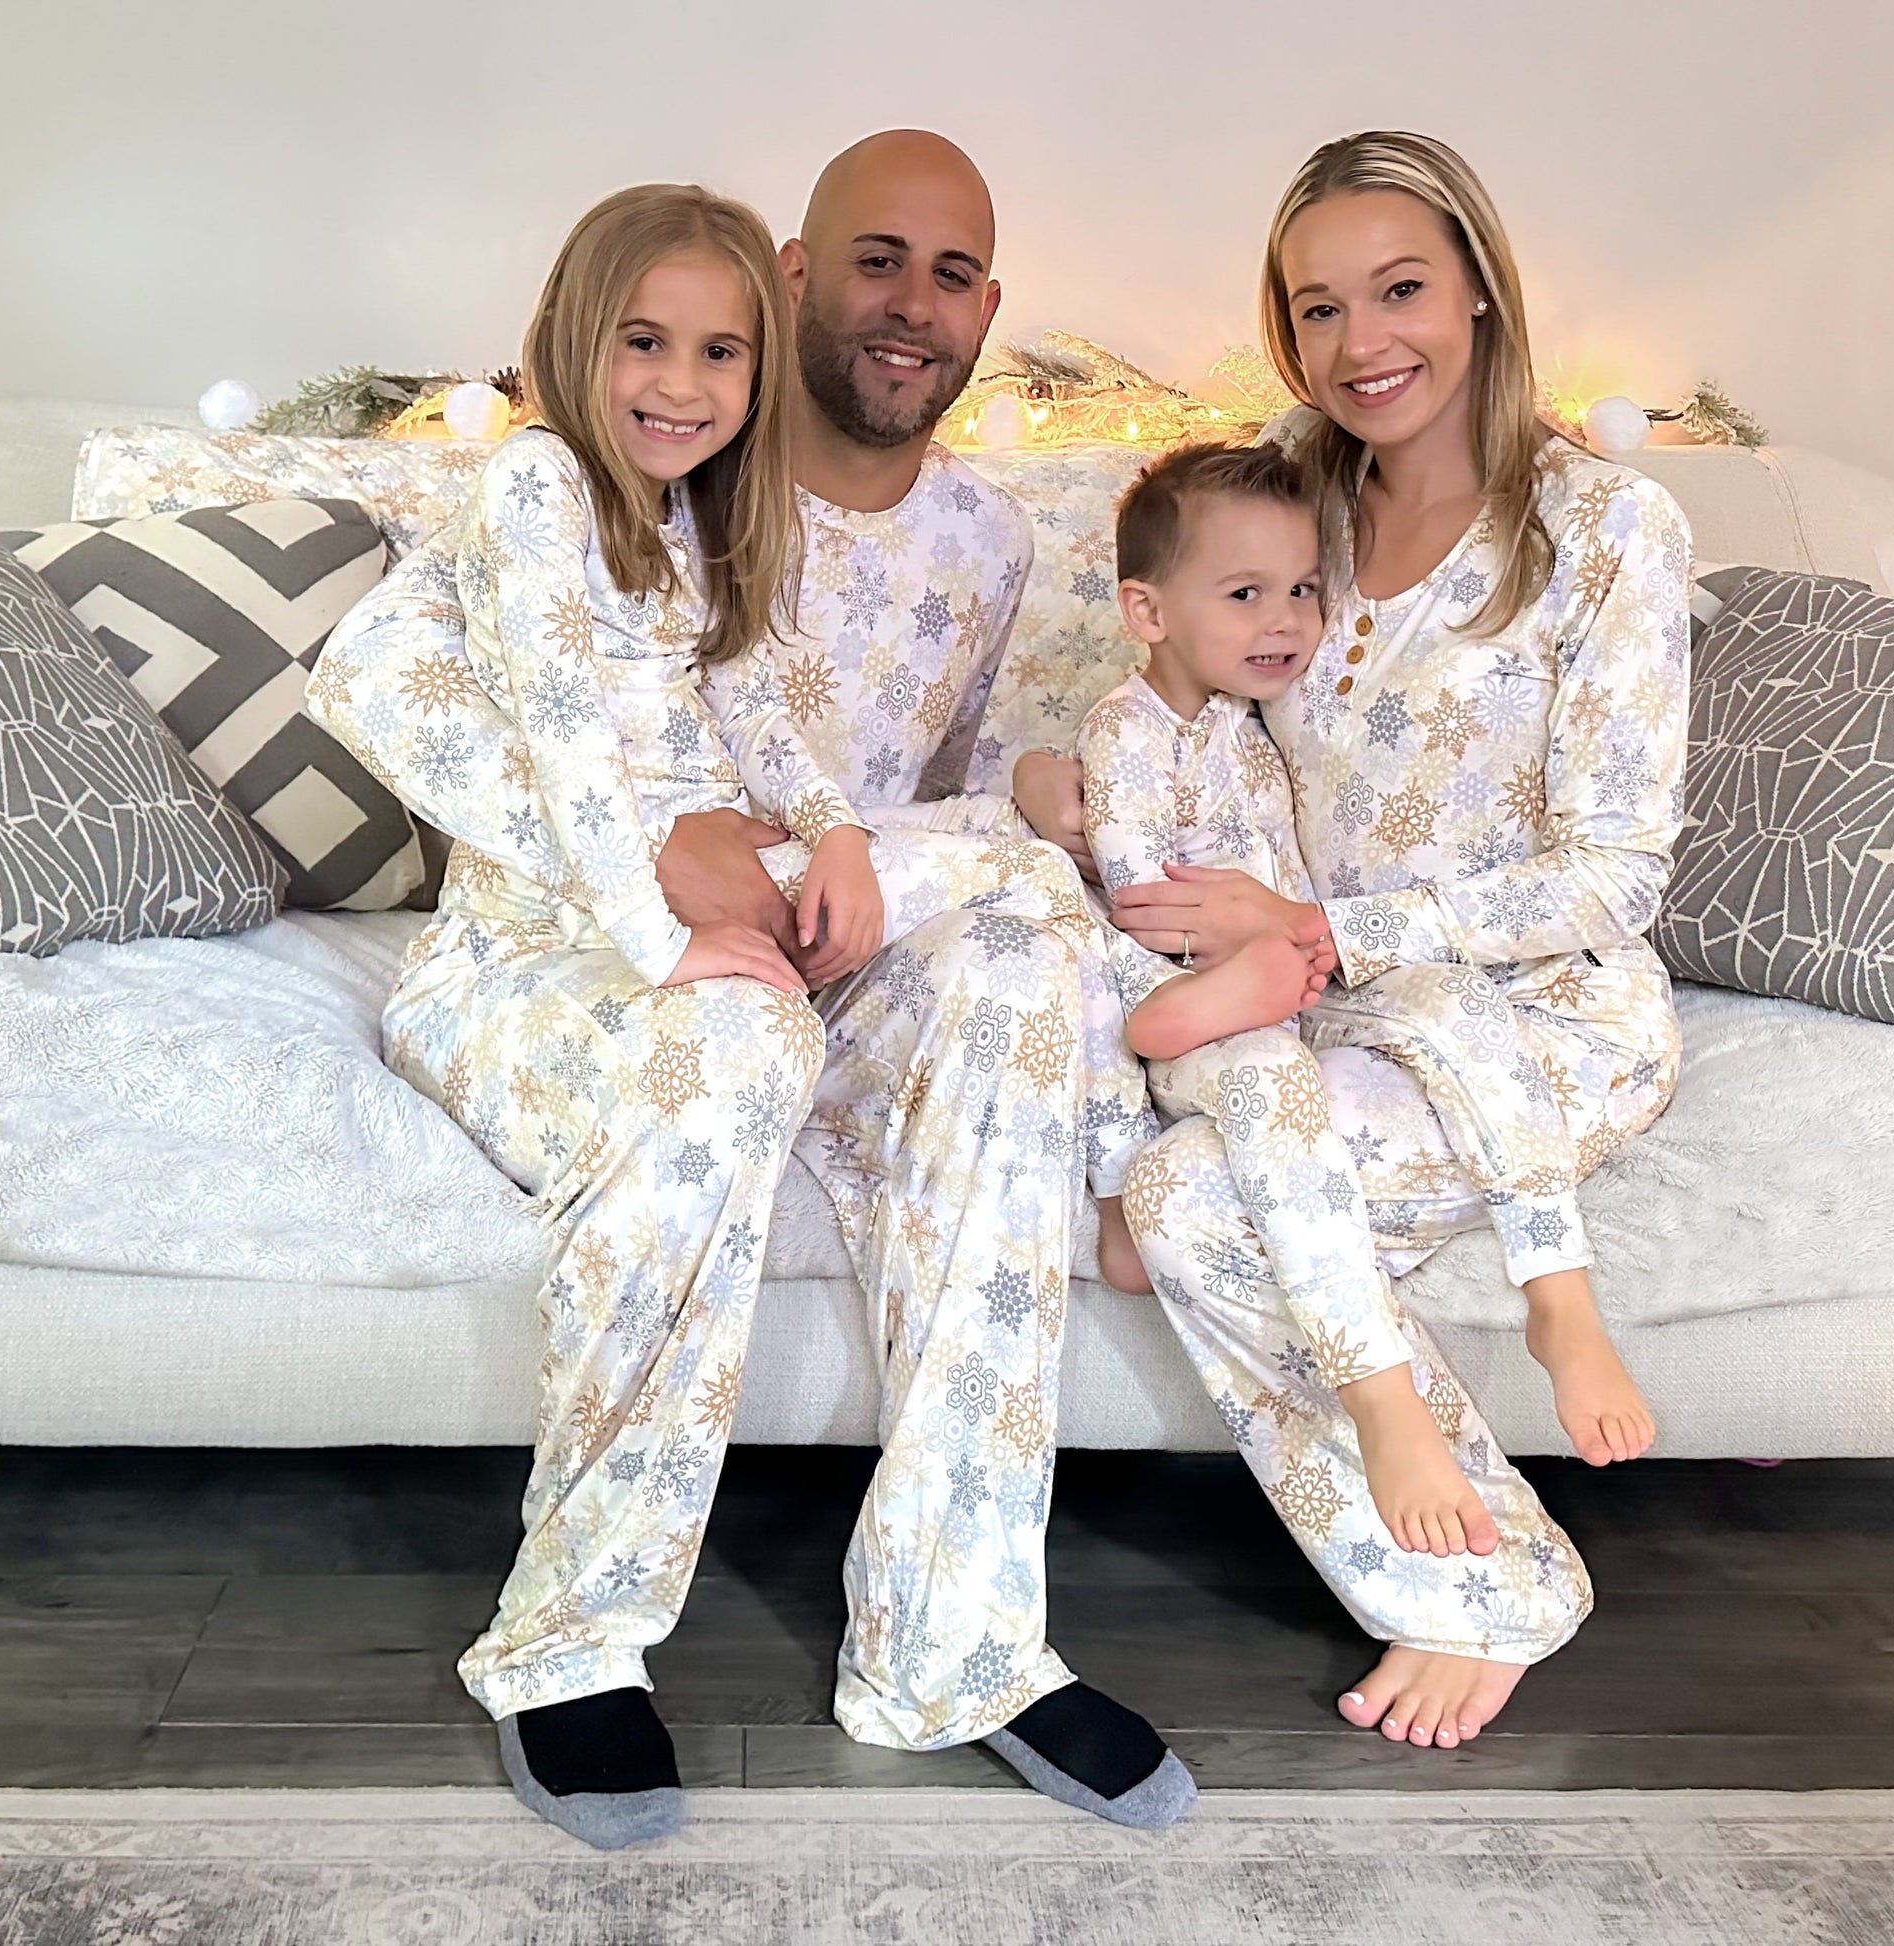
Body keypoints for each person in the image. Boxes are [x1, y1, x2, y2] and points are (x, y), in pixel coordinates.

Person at [310, 132, 1191, 1839]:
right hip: (578, 949)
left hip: (805, 928)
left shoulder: (909, 529)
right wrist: (665, 888)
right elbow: (387, 683)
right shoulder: (579, 481)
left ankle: (956, 1639)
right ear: (800, 279)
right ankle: (571, 1636)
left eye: (948, 274)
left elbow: (789, 714)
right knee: (732, 1042)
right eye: (874, 259)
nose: (908, 304)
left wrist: (847, 835)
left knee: (1020, 945)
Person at [1015, 130, 1689, 1750]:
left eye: (1398, 291)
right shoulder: (1286, 500)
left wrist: (1325, 922)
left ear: (1477, 291)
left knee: (1197, 1203)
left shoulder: (1608, 526)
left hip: (1534, 1016)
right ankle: (1477, 1568)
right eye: (1316, 309)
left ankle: (1474, 1583)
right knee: (1177, 1186)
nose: (1360, 342)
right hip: (1321, 1016)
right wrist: (1056, 773)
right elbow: (1167, 673)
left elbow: (1616, 874)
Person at [1086, 441, 1654, 1525]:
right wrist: (1234, 967)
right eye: (1246, 595)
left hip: (1308, 975)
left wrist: (1298, 946)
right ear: (1146, 612)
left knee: (1454, 1000)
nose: (1286, 620)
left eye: (1305, 590)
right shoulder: (1123, 730)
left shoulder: (1246, 716)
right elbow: (1140, 891)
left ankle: (1556, 1289)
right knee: (1270, 1097)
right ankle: (1381, 1396)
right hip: (1206, 1008)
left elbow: (1293, 883)